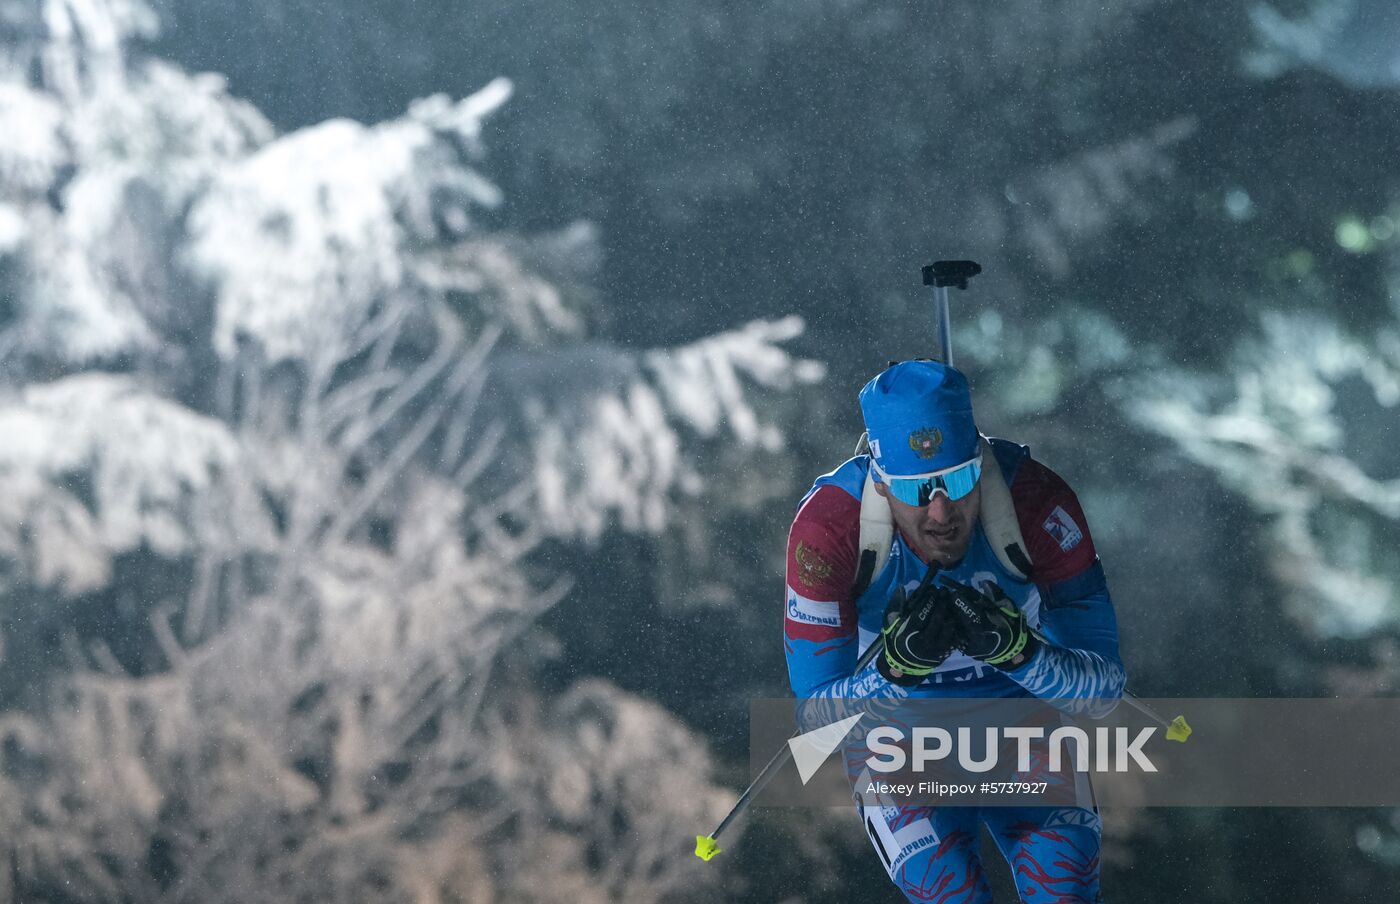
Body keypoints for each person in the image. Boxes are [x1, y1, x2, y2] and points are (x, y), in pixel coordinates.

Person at [783, 359, 1125, 903]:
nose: (941, 512)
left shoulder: (1036, 502)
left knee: (1063, 891)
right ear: (879, 479)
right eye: (916, 490)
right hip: (898, 741)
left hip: (1023, 723)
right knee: (953, 893)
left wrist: (1022, 655)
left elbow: (1104, 694)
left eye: (960, 480)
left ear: (981, 462)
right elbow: (816, 723)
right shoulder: (829, 530)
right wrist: (894, 673)